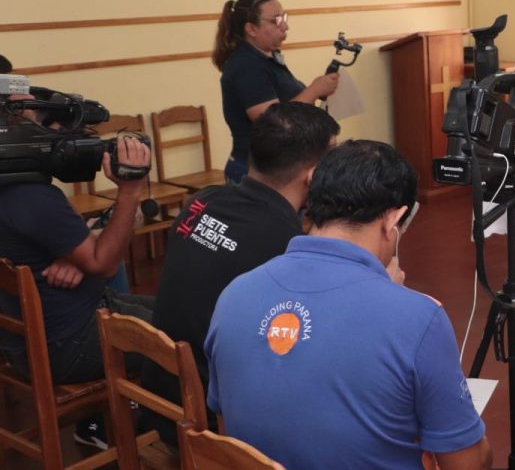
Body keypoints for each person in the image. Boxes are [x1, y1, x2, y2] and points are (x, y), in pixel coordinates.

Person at [205, 140, 491, 470]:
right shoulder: (418, 318)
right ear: (393, 220)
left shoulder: (234, 294)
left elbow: (227, 425)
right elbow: (466, 464)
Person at [141, 102, 340, 444]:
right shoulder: (286, 246)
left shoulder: (202, 201)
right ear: (313, 175)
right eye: (333, 158)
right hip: (213, 423)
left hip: (161, 399)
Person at [0, 126, 154, 449]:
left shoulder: (16, 192)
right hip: (67, 346)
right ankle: (162, 427)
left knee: (168, 307)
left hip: (28, 345)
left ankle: (123, 411)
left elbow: (83, 245)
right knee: (181, 328)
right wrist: (129, 191)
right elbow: (105, 262)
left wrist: (81, 258)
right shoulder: (31, 197)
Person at [212, 0, 340, 183]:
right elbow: (271, 120)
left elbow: (289, 101)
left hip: (281, 165)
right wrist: (314, 90)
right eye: (275, 20)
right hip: (255, 172)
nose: (285, 26)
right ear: (251, 29)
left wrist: (318, 92)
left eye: (284, 18)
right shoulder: (246, 65)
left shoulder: (267, 57)